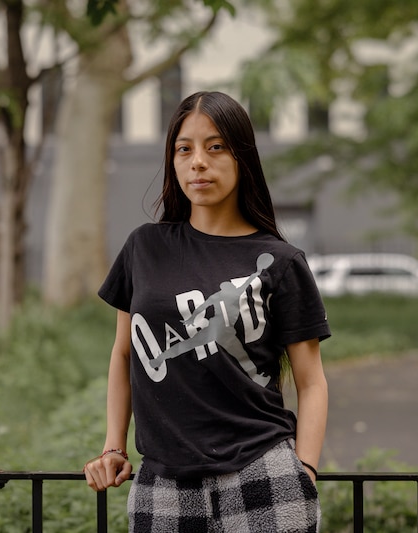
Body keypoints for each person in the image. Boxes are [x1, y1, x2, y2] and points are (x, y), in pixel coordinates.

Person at [83, 90, 331, 533]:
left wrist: (305, 472)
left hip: (263, 472)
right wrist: (112, 447)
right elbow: (124, 355)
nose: (198, 161)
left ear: (243, 157)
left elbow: (311, 381)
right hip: (162, 482)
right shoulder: (145, 247)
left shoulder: (281, 262)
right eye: (185, 148)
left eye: (215, 147)